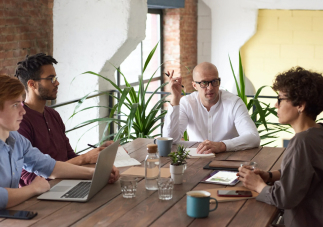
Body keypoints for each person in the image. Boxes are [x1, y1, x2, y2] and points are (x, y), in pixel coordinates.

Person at [0, 74, 119, 209]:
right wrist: (33, 189)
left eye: (21, 103)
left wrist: (96, 174)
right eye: (15, 105)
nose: (23, 111)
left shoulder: (17, 139)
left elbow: (49, 166)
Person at [14, 53, 118, 186]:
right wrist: (84, 159)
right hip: (42, 195)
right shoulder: (20, 121)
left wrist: (97, 155)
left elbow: (70, 156)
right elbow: (29, 179)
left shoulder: (53, 114)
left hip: (68, 183)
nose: (57, 83)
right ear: (32, 84)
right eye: (51, 79)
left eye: (55, 78)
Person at [237, 67, 323, 227]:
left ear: (300, 106)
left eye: (281, 99)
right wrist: (270, 176)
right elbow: (303, 173)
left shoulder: (302, 142)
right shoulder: (317, 132)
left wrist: (258, 185)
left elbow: (284, 198)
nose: (275, 105)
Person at [162, 62, 260, 154]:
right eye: (204, 83)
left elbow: (253, 137)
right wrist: (175, 98)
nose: (210, 88)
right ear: (195, 85)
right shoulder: (187, 103)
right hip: (196, 160)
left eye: (214, 81)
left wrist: (222, 145)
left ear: (219, 82)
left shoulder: (234, 103)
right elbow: (169, 139)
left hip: (228, 159)